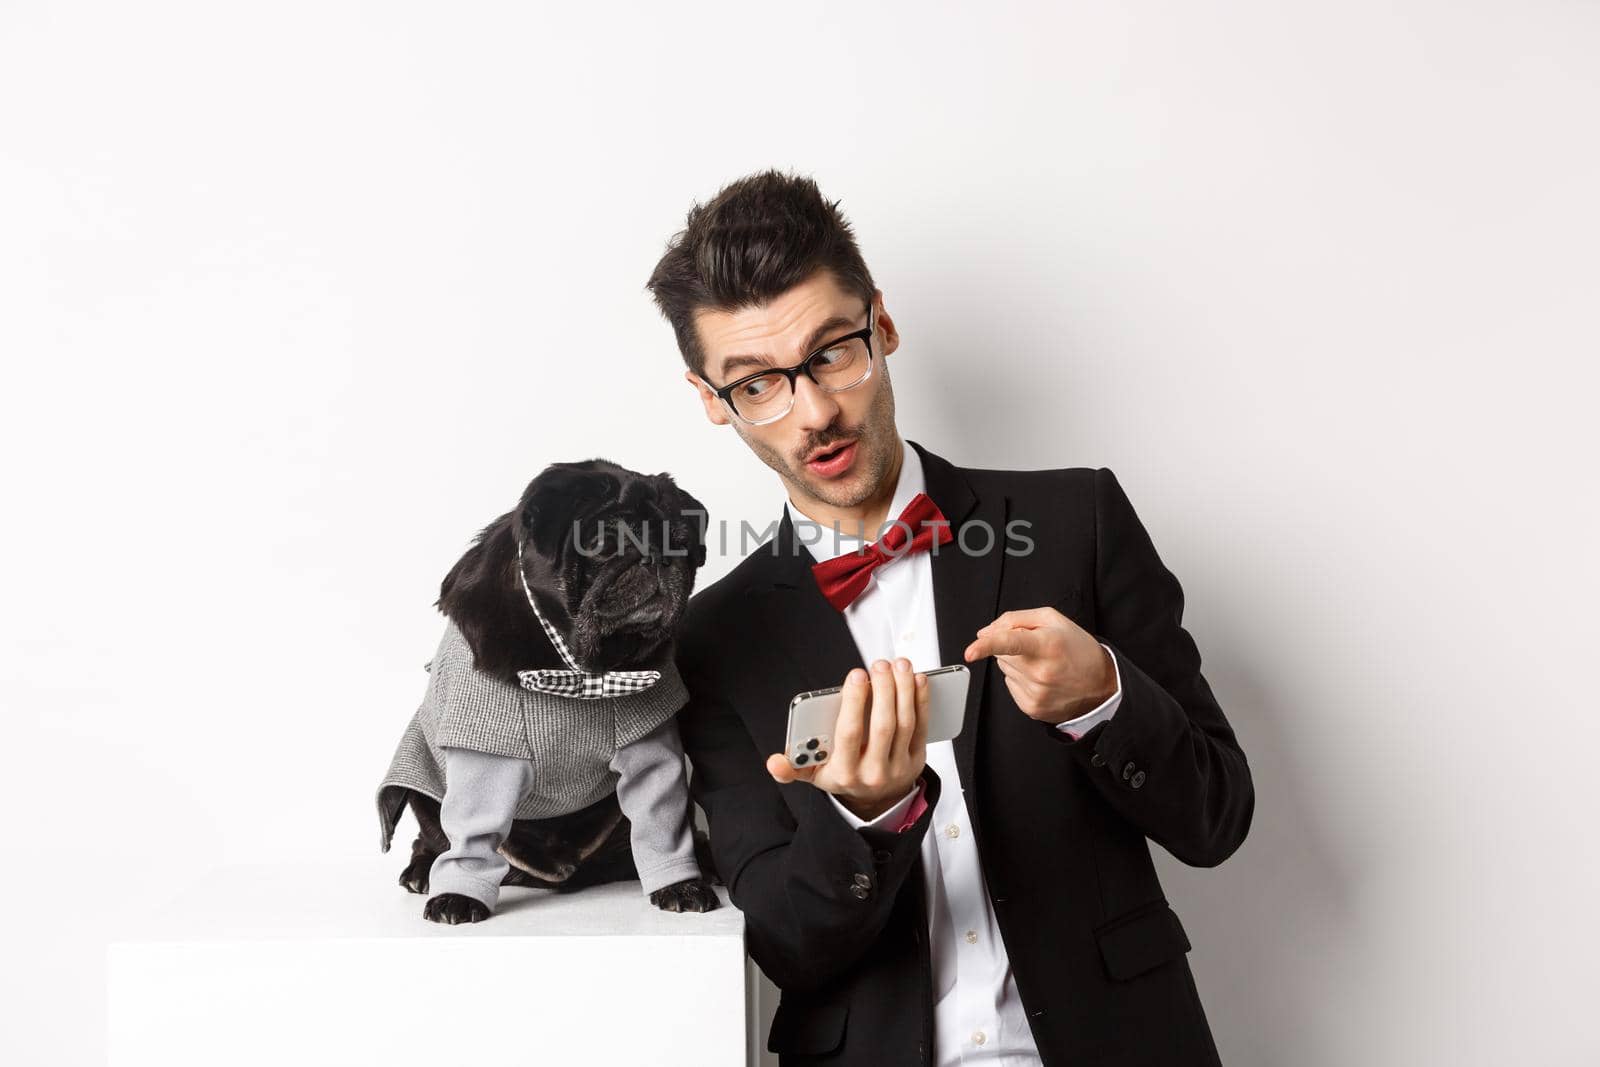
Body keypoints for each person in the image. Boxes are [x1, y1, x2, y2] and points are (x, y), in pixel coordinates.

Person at [645, 169, 1254, 1066]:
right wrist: (865, 819)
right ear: (710, 398)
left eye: (831, 354)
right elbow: (784, 941)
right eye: (759, 384)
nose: (814, 411)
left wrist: (1105, 701)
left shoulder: (1075, 523)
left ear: (881, 326)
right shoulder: (709, 638)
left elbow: (1218, 816)